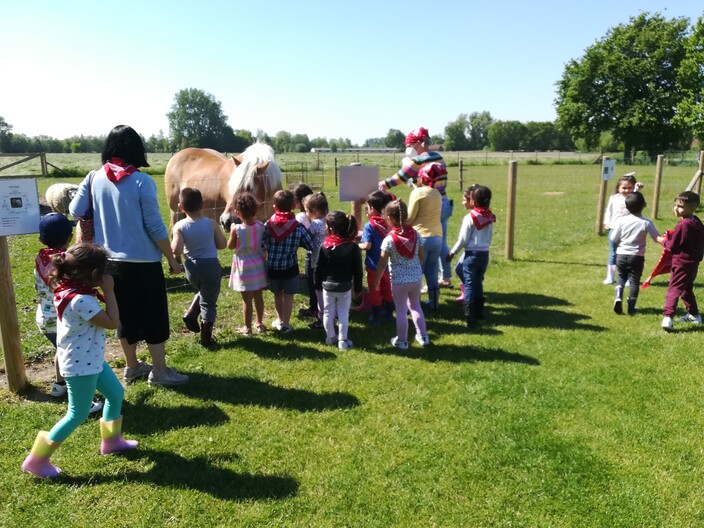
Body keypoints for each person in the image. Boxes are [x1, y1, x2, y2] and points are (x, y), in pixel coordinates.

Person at [70, 124, 188, 387]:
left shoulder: (93, 177)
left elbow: (75, 208)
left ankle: (132, 366)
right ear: (136, 149)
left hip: (109, 262)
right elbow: (155, 226)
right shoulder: (142, 181)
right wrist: (170, 257)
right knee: (153, 315)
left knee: (123, 315)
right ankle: (159, 371)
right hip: (143, 262)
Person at [22, 243, 137, 479]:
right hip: (80, 363)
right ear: (93, 275)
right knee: (78, 413)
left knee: (115, 394)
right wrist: (111, 292)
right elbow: (111, 321)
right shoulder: (81, 300)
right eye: (104, 271)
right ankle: (37, 459)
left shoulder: (69, 289)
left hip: (89, 358)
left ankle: (112, 441)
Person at [34, 213, 104, 414]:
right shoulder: (67, 263)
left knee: (61, 350)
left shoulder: (40, 257)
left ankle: (59, 386)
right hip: (64, 318)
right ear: (70, 237)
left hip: (44, 318)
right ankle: (85, 401)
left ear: (41, 239)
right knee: (76, 359)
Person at [378, 126, 453, 288]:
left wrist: (384, 184)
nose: (409, 148)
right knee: (441, 241)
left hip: (429, 205)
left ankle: (421, 279)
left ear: (418, 144)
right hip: (444, 202)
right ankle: (446, 276)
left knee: (423, 242)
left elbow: (401, 176)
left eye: (411, 144)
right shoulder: (439, 157)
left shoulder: (418, 160)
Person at [171, 187, 227, 346]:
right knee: (209, 301)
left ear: (181, 208)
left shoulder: (179, 226)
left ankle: (191, 313)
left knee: (203, 291)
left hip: (191, 267)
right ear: (202, 205)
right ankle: (206, 337)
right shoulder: (211, 224)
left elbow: (177, 250)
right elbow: (222, 245)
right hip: (210, 265)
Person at [373, 199, 429, 349]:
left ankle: (402, 341)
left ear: (390, 219)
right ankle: (423, 337)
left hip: (398, 281)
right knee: (416, 306)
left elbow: (382, 263)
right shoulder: (416, 235)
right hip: (416, 278)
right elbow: (422, 256)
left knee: (401, 310)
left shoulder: (389, 240)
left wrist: (376, 280)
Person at [262, 189, 314, 333]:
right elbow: (310, 245)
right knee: (288, 295)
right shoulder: (298, 227)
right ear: (293, 206)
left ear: (274, 207)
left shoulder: (268, 225)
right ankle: (286, 323)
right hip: (290, 267)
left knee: (277, 294)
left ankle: (279, 320)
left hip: (273, 267)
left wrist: (266, 248)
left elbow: (261, 242)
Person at [447, 185, 496, 328]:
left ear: (473, 201)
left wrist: (452, 252)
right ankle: (480, 312)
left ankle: (470, 316)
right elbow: (490, 236)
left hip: (471, 255)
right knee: (478, 282)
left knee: (469, 284)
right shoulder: (490, 216)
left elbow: (463, 239)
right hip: (484, 254)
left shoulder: (470, 217)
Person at [315, 211, 363, 350]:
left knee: (328, 312)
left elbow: (318, 268)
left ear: (330, 229)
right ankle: (343, 340)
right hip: (345, 286)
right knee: (343, 313)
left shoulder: (325, 246)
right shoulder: (353, 247)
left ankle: (330, 338)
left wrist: (317, 284)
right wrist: (358, 289)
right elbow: (358, 271)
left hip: (327, 286)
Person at [609, 192, 663, 315]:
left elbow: (613, 238)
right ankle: (631, 307)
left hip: (621, 255)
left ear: (626, 207)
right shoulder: (646, 223)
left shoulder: (621, 221)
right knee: (634, 281)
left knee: (621, 277)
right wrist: (668, 240)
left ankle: (618, 297)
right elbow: (656, 238)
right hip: (637, 257)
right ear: (644, 205)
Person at [661, 191, 704, 331]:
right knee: (686, 289)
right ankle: (694, 315)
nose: (676, 209)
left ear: (692, 208)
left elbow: (673, 246)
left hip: (682, 263)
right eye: (675, 205)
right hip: (693, 263)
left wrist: (664, 241)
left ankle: (668, 317)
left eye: (680, 206)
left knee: (674, 289)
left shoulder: (683, 225)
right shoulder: (696, 221)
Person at [227, 192, 268, 335]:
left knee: (246, 299)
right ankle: (259, 323)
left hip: (244, 267)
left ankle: (247, 327)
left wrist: (232, 231)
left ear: (237, 212)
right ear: (256, 210)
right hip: (258, 264)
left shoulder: (237, 229)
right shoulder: (261, 226)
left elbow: (230, 246)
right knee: (258, 296)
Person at [407, 162, 444, 309]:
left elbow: (410, 219)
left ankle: (414, 304)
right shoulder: (437, 194)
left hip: (422, 238)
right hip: (437, 237)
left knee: (416, 272)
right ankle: (434, 303)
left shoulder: (417, 193)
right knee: (431, 270)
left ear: (421, 178)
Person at [358, 190, 395, 325]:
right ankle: (389, 313)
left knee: (375, 290)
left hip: (374, 266)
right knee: (388, 289)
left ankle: (376, 316)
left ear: (372, 209)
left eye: (367, 208)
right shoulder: (391, 222)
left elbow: (367, 245)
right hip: (390, 265)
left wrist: (357, 245)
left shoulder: (370, 226)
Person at [602, 172, 642, 284]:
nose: (627, 190)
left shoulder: (634, 198)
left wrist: (637, 189)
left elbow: (637, 199)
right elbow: (608, 211)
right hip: (614, 229)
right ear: (618, 188)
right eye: (624, 188)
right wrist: (607, 222)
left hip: (630, 230)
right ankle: (610, 277)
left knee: (629, 253)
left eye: (630, 188)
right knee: (614, 252)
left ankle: (629, 278)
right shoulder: (614, 198)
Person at [301, 192, 329, 330]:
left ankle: (320, 317)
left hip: (316, 262)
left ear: (314, 211)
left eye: (306, 211)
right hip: (329, 262)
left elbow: (307, 238)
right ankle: (330, 314)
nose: (306, 214)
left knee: (317, 289)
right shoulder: (328, 221)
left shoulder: (315, 224)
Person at [290, 182, 317, 319]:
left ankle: (314, 309)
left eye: (293, 199)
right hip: (322, 251)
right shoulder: (318, 212)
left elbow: (304, 237)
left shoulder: (301, 217)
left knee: (312, 281)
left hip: (312, 253)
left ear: (300, 200)